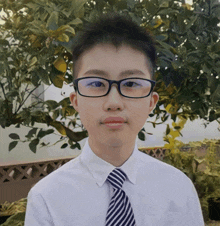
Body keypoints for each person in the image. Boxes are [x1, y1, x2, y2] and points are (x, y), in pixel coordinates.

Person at [24, 12, 205, 226]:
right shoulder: (47, 198)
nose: (114, 102)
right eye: (96, 84)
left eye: (131, 83)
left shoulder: (178, 188)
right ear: (76, 101)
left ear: (151, 101)